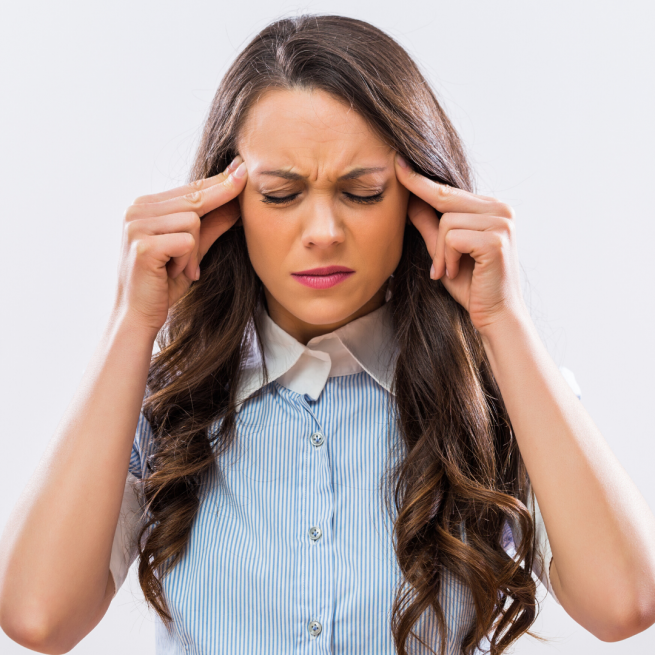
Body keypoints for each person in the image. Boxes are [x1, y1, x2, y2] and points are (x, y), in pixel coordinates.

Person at [1, 13, 654, 655]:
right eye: (282, 193)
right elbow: (37, 617)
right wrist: (132, 324)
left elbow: (622, 603)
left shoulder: (494, 391)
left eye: (361, 191)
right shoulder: (164, 402)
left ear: (417, 201)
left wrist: (503, 321)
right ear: (227, 204)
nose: (322, 232)